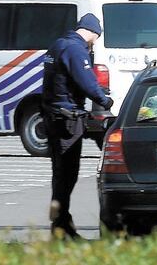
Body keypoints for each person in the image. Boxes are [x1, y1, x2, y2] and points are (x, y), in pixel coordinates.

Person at [42, 13, 114, 240]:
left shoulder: (58, 44)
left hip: (54, 115)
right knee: (67, 175)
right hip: (67, 120)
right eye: (97, 37)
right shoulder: (75, 49)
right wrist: (105, 100)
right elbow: (87, 81)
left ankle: (61, 225)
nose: (95, 42)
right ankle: (61, 227)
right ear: (93, 32)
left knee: (60, 175)